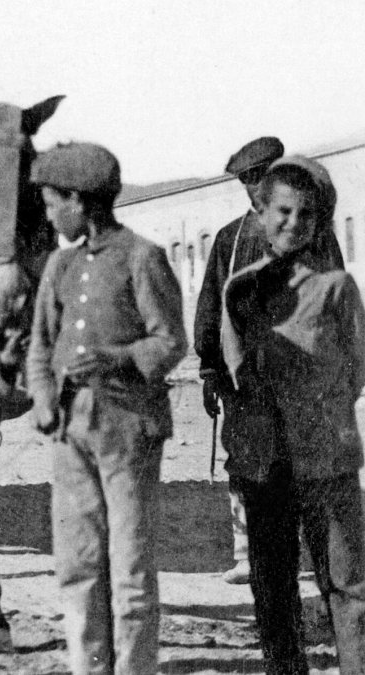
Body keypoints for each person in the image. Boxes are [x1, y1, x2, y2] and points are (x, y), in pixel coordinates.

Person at [26, 143, 188, 675]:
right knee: (77, 561)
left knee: (131, 566)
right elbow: (39, 345)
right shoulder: (59, 263)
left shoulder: (142, 257)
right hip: (71, 430)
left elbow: (170, 341)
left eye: (53, 204)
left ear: (79, 200)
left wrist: (117, 358)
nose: (49, 216)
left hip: (128, 429)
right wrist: (45, 400)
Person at [221, 156, 365, 675]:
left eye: (306, 215)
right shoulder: (239, 291)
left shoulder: (337, 291)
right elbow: (234, 369)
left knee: (349, 589)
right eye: (281, 211)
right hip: (265, 465)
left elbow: (356, 372)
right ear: (259, 213)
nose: (291, 223)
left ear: (318, 223)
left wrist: (312, 413)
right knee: (274, 592)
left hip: (327, 462)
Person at [193, 137, 345, 585]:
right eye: (246, 181)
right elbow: (210, 306)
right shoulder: (229, 238)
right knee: (247, 456)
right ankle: (247, 551)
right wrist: (208, 369)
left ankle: (318, 558)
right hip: (247, 377)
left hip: (305, 374)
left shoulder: (315, 234)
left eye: (261, 176)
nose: (254, 188)